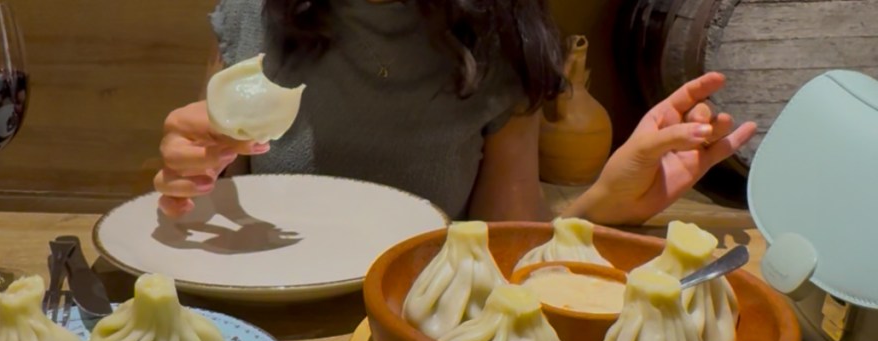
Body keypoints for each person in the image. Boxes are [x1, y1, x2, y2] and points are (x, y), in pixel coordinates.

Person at [154, 0, 756, 225]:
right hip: (273, 333)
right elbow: (198, 211)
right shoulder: (250, 18)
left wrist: (606, 206)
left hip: (425, 339)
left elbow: (509, 244)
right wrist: (184, 180)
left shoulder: (504, 36)